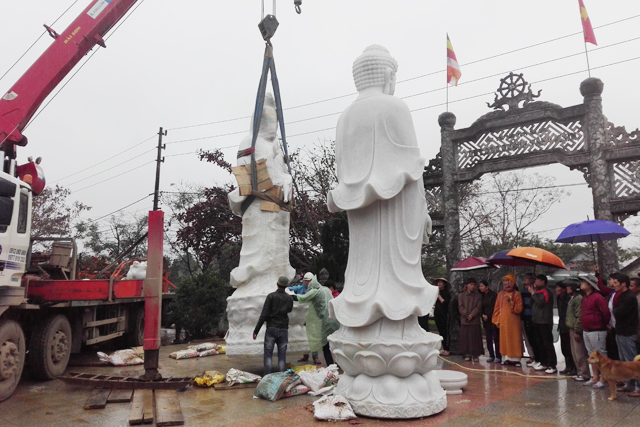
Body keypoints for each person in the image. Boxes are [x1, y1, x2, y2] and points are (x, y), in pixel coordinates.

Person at [326, 45, 437, 329]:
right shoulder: (394, 106)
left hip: (359, 208)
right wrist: (423, 209)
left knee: (364, 265)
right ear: (388, 75)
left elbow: (342, 170)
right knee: (394, 272)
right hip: (398, 207)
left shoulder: (345, 117)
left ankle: (361, 316)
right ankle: (394, 320)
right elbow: (413, 167)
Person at [292, 275, 341, 366]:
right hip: (334, 319)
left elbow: (301, 298)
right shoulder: (326, 290)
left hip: (325, 321)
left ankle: (330, 366)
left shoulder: (315, 291)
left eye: (308, 282)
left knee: (325, 346)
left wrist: (288, 295)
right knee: (335, 344)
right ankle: (339, 363)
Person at [253, 276, 294, 374]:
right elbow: (289, 310)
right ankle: (282, 378)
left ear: (277, 284)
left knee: (268, 355)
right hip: (283, 329)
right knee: (282, 356)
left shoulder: (271, 296)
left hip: (271, 328)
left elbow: (264, 314)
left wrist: (256, 331)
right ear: (287, 286)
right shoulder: (289, 298)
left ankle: (267, 377)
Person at [609, 272, 639, 397]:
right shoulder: (621, 296)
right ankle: (629, 384)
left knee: (632, 362)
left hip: (628, 332)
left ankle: (638, 387)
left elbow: (618, 312)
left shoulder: (629, 297)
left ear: (623, 284)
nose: (614, 285)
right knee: (623, 361)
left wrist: (615, 310)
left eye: (616, 283)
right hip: (620, 331)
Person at [580, 275, 611, 389]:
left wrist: (602, 323)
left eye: (584, 282)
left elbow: (606, 312)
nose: (581, 284)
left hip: (597, 330)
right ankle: (595, 377)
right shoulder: (584, 298)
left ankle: (603, 378)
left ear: (590, 285)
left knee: (600, 354)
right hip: (586, 329)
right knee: (591, 354)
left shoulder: (598, 297)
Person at [288, 272, 321, 363]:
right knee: (304, 335)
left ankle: (315, 357)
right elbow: (289, 289)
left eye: (309, 281)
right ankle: (305, 355)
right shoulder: (300, 288)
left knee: (313, 336)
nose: (307, 283)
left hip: (312, 316)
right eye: (306, 281)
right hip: (302, 316)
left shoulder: (315, 290)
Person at [492, 274, 524, 367]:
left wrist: (510, 301)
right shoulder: (500, 294)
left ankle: (516, 359)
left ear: (512, 282)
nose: (505, 283)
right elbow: (497, 309)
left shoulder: (517, 294)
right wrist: (497, 321)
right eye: (504, 281)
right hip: (503, 322)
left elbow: (519, 309)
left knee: (515, 339)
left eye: (507, 281)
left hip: (514, 322)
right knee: (504, 339)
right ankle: (506, 358)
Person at [528, 274, 557, 374]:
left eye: (537, 280)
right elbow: (532, 304)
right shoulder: (537, 291)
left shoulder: (546, 291)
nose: (535, 282)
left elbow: (541, 303)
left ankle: (552, 364)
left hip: (544, 321)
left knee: (547, 344)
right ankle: (543, 362)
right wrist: (533, 293)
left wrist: (533, 293)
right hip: (536, 320)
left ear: (543, 281)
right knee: (540, 343)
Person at [565, 279, 590, 382]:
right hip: (571, 328)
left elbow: (579, 316)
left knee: (580, 353)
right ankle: (579, 372)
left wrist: (577, 331)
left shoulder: (578, 299)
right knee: (575, 353)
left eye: (569, 287)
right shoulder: (572, 298)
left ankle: (584, 374)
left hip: (576, 329)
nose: (567, 288)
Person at [458, 278, 483, 362]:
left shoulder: (478, 296)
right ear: (467, 285)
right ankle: (467, 353)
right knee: (465, 338)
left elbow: (478, 307)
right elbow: (460, 307)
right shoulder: (461, 296)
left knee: (475, 338)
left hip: (474, 320)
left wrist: (472, 315)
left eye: (474, 285)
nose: (473, 286)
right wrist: (466, 315)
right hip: (465, 320)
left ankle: (475, 354)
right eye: (471, 284)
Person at [556, 281, 576, 376]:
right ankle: (567, 366)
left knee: (570, 348)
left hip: (568, 325)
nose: (556, 289)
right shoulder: (558, 298)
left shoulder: (568, 299)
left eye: (558, 287)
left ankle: (573, 368)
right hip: (562, 325)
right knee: (564, 348)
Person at [479, 280, 500, 363]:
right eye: (479, 286)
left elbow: (495, 307)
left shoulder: (493, 295)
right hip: (486, 320)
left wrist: (489, 315)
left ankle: (498, 355)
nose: (480, 288)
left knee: (496, 338)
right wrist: (482, 315)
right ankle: (491, 355)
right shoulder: (481, 296)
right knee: (488, 339)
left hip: (493, 319)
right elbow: (481, 307)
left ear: (487, 287)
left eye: (482, 286)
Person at [521, 273, 537, 367]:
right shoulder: (523, 289)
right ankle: (531, 356)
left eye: (527, 278)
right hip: (524, 315)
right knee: (527, 338)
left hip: (532, 316)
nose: (525, 279)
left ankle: (536, 356)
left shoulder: (534, 290)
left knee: (533, 338)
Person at [434, 278, 452, 356]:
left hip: (444, 314)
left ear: (444, 284)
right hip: (437, 313)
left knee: (445, 332)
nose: (439, 284)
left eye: (441, 282)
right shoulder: (436, 292)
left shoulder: (446, 293)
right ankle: (443, 348)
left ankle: (447, 348)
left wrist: (439, 295)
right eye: (438, 282)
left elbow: (444, 303)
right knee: (440, 332)